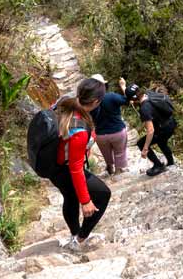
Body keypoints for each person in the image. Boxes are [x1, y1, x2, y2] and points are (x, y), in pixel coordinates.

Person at [52, 77, 112, 250]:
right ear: (95, 102)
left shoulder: (66, 103)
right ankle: (80, 240)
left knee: (70, 197)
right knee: (102, 194)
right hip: (65, 169)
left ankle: (74, 235)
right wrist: (86, 201)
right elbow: (76, 168)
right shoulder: (78, 129)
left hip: (55, 165)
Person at [127, 82, 177, 177]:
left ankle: (158, 166)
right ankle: (171, 162)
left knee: (141, 143)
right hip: (171, 123)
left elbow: (150, 131)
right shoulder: (149, 93)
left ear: (133, 99)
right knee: (162, 142)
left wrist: (145, 149)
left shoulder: (145, 108)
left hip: (163, 129)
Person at [90, 74, 130, 175]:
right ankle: (118, 172)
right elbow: (127, 100)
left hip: (101, 135)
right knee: (120, 153)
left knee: (106, 154)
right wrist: (123, 86)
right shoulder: (111, 96)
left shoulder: (89, 102)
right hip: (118, 132)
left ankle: (109, 166)